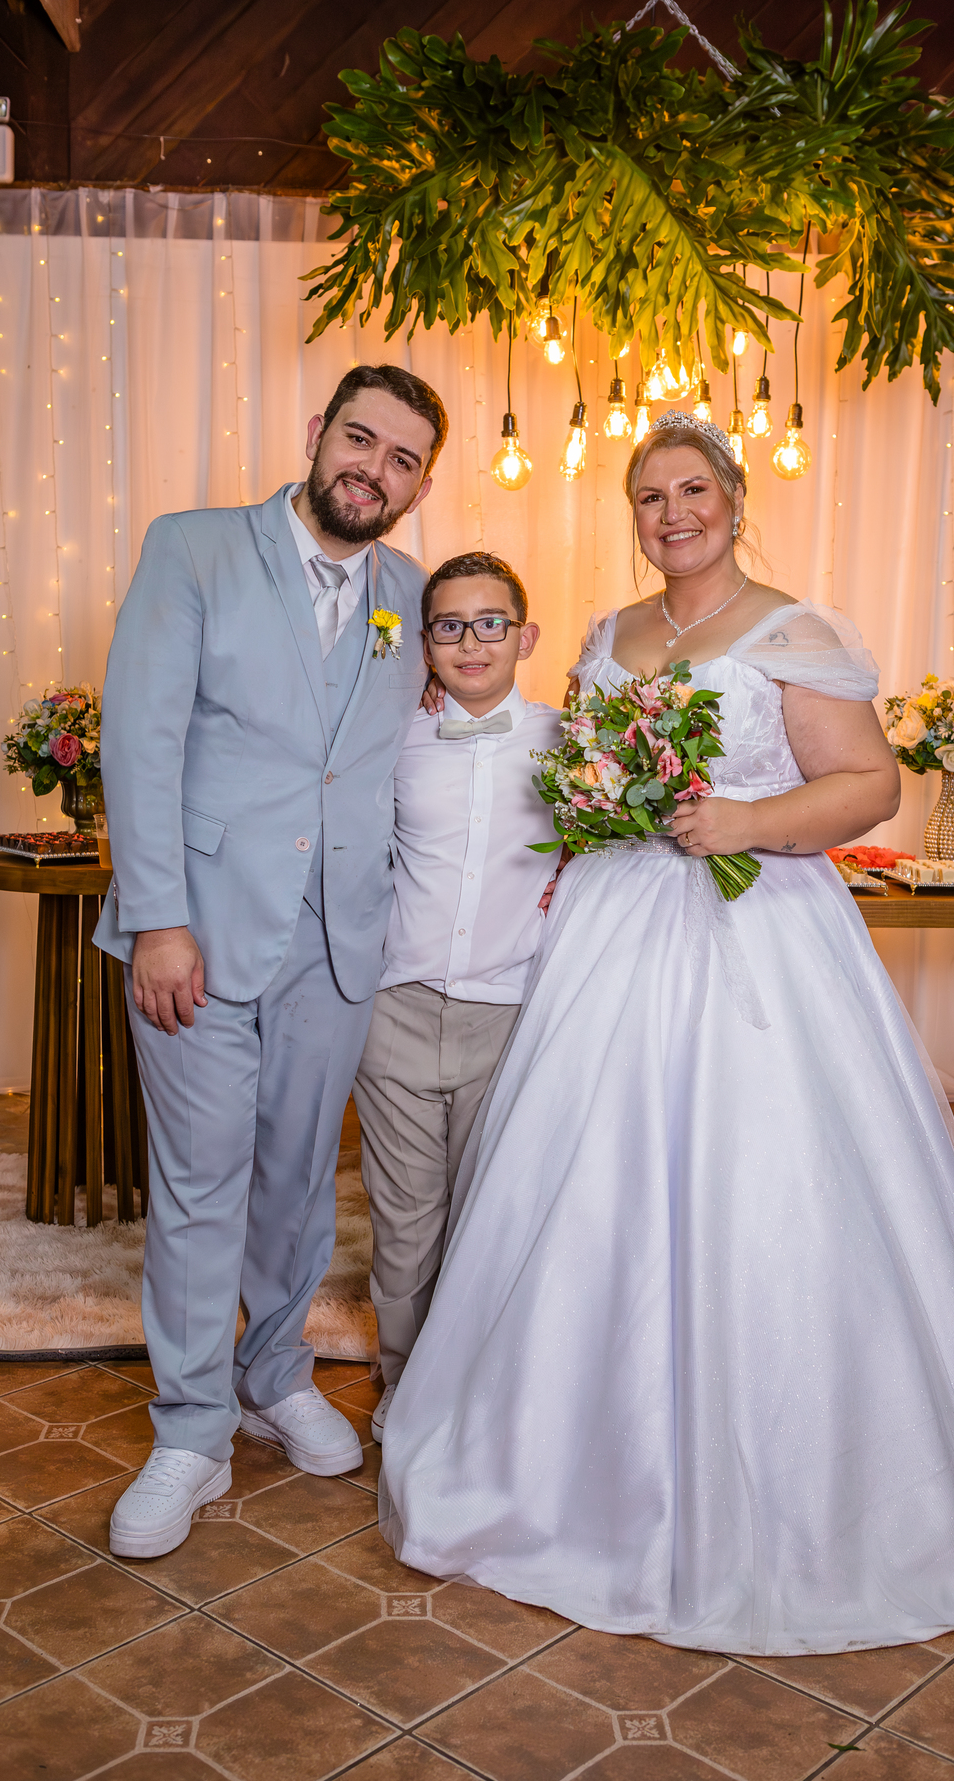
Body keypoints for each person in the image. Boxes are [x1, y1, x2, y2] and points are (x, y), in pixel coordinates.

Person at [378, 411, 954, 1655]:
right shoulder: (608, 635)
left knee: (762, 1177)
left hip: (756, 927)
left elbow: (870, 784)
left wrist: (748, 820)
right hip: (613, 931)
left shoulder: (793, 629)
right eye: (650, 497)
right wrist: (603, 807)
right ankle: (554, 1454)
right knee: (585, 1184)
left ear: (731, 499)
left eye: (692, 492)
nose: (672, 515)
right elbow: (578, 776)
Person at [95, 364, 447, 1559]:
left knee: (296, 1179)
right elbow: (139, 737)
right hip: (195, 931)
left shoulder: (412, 595)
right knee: (202, 1180)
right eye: (360, 438)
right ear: (316, 433)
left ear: (419, 485)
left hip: (339, 939)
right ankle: (191, 1429)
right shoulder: (193, 548)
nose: (373, 469)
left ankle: (273, 1374)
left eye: (402, 459)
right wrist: (157, 917)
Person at [353, 552, 561, 1446]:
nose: (472, 643)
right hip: (395, 1006)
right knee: (405, 1217)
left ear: (525, 635)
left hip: (512, 1014)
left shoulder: (572, 742)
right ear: (425, 644)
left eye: (490, 623)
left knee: (493, 1214)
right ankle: (406, 1385)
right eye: (449, 626)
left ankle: (481, 1389)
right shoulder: (391, 738)